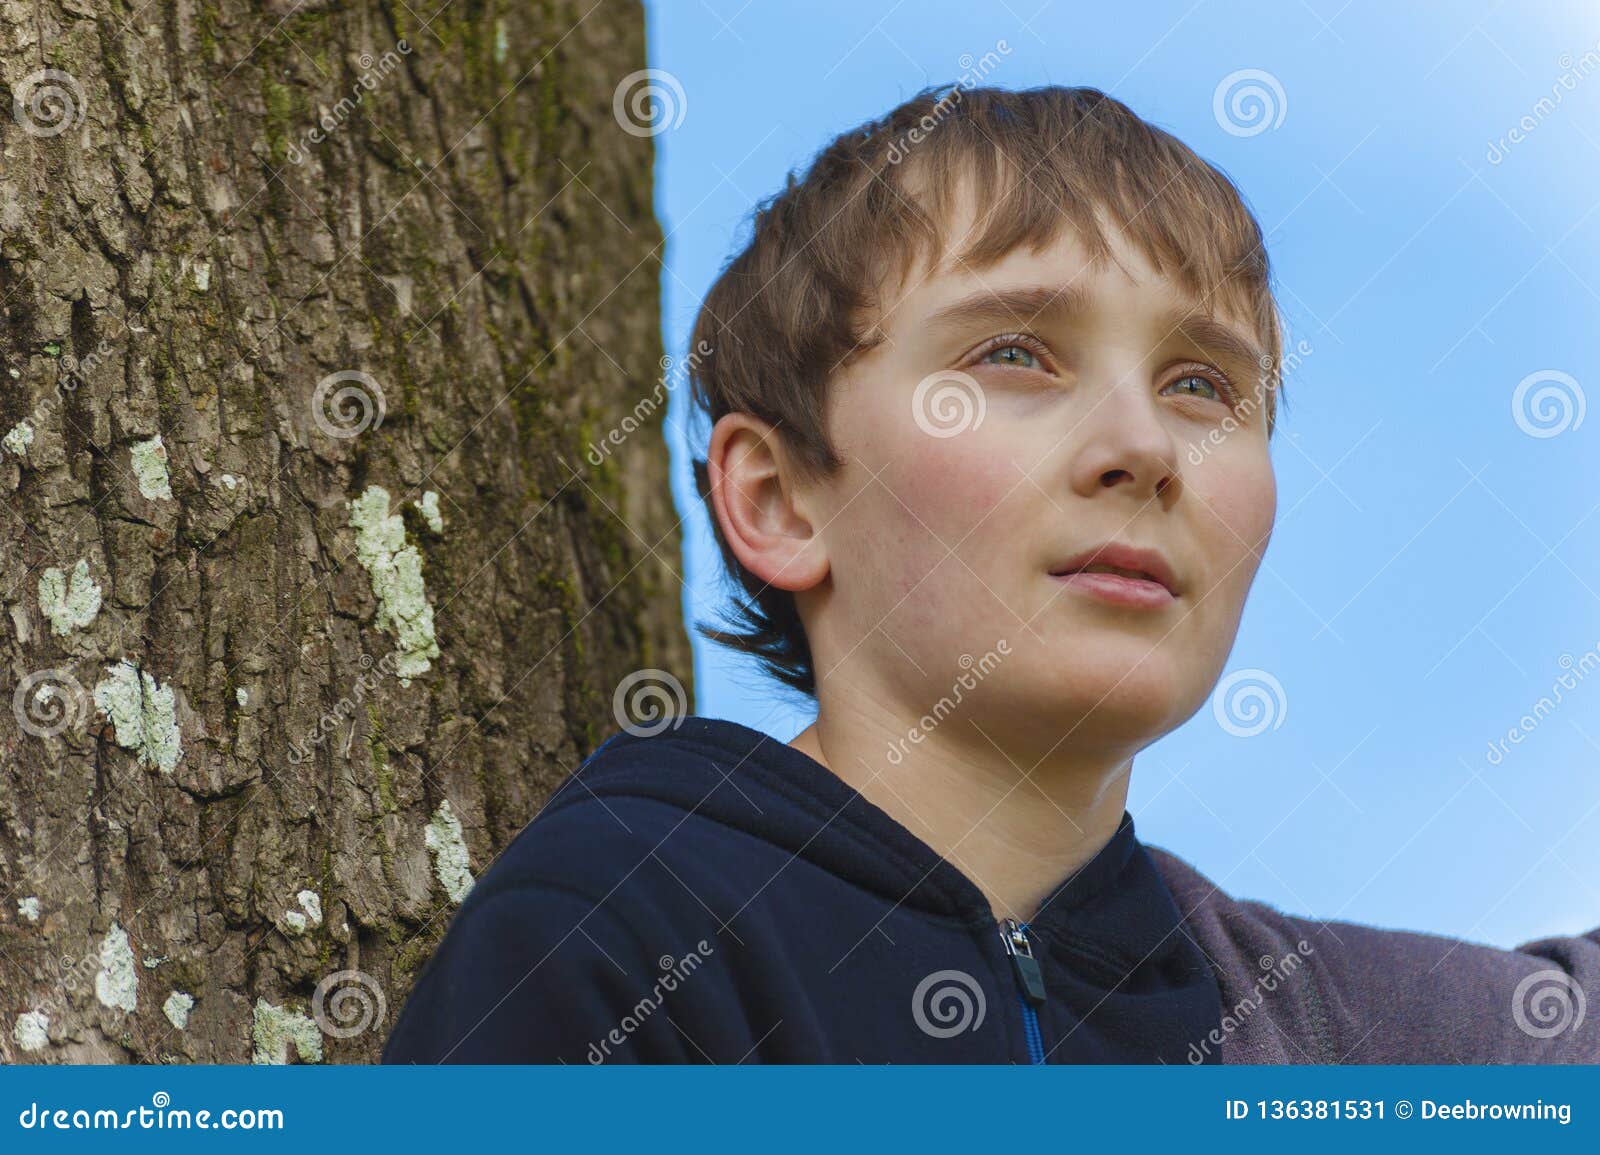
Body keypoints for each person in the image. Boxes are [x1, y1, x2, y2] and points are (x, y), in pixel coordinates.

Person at [382, 84, 1599, 1064]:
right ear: (776, 498)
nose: (1142, 449)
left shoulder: (1332, 1033)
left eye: (1202, 387)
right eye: (1015, 355)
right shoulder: (621, 938)